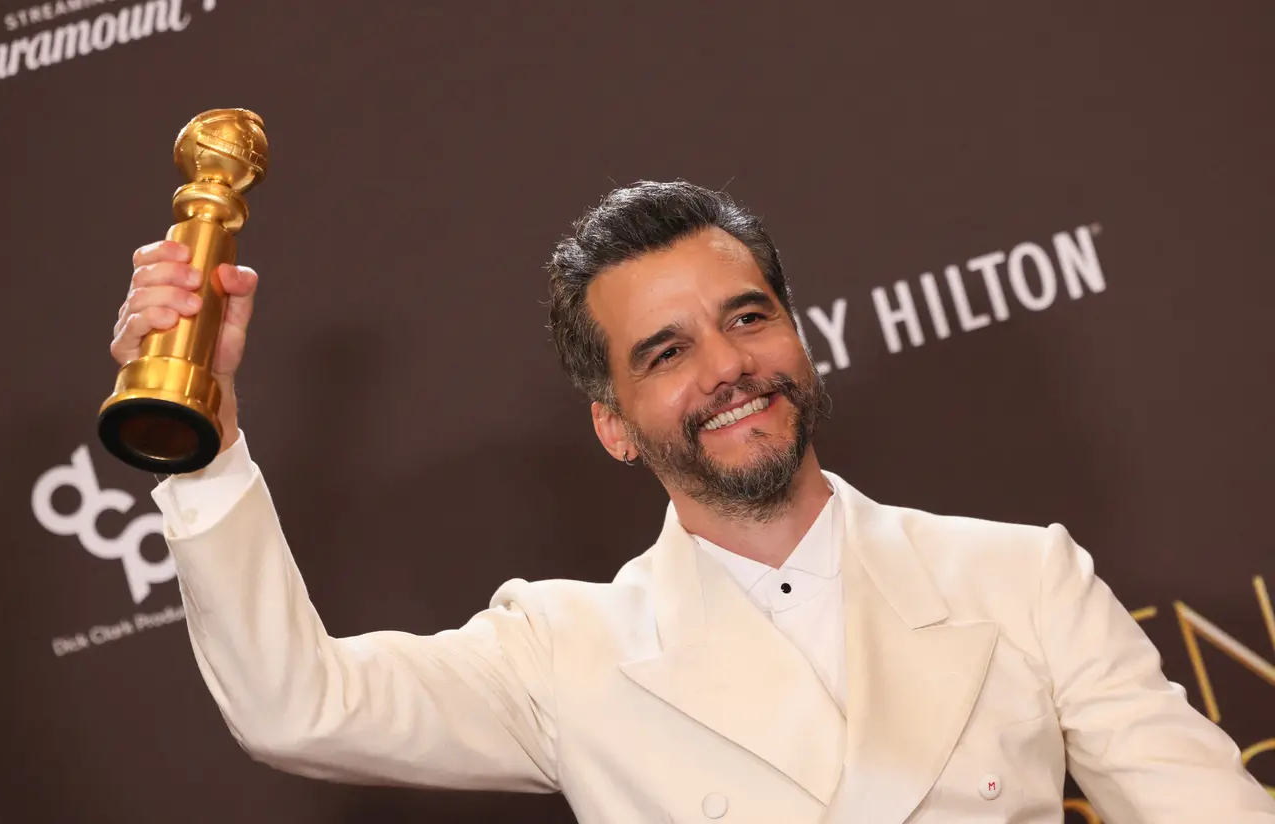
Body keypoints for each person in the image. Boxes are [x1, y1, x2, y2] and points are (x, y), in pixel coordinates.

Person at [111, 181, 1274, 824]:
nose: (726, 364)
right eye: (665, 350)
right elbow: (293, 707)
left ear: (800, 337)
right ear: (613, 424)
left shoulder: (1019, 576)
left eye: (747, 315)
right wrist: (199, 440)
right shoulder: (562, 653)